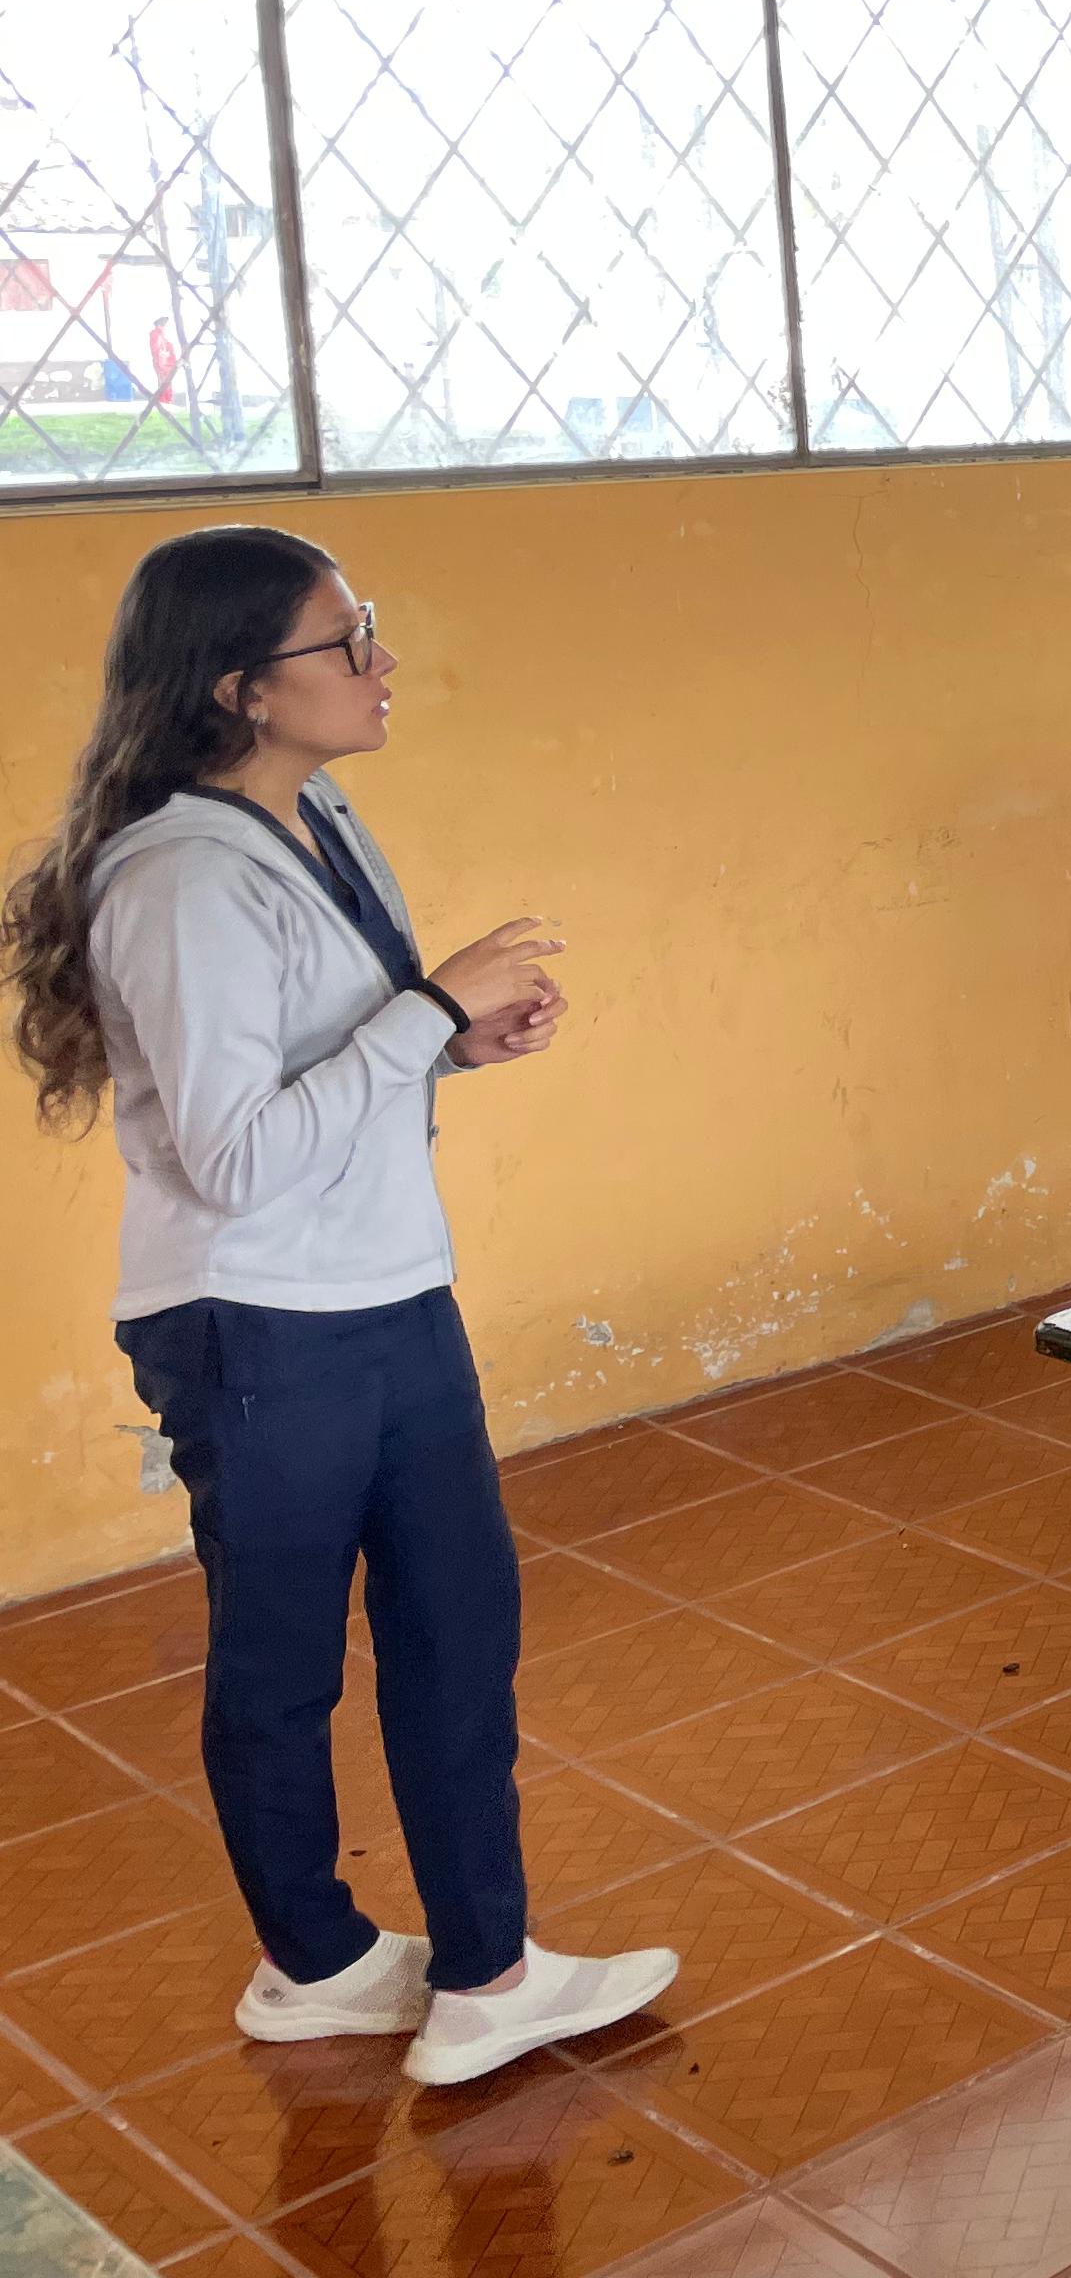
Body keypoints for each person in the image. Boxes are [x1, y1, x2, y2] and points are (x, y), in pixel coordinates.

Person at [0, 529, 675, 2089]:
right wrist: (427, 1009)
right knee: (284, 1663)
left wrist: (450, 1043)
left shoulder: (320, 820)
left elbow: (333, 1061)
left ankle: (487, 1972)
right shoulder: (181, 880)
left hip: (387, 1293)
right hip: (257, 1327)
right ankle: (309, 1963)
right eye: (346, 640)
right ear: (240, 687)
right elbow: (236, 1159)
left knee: (459, 1628)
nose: (381, 663)